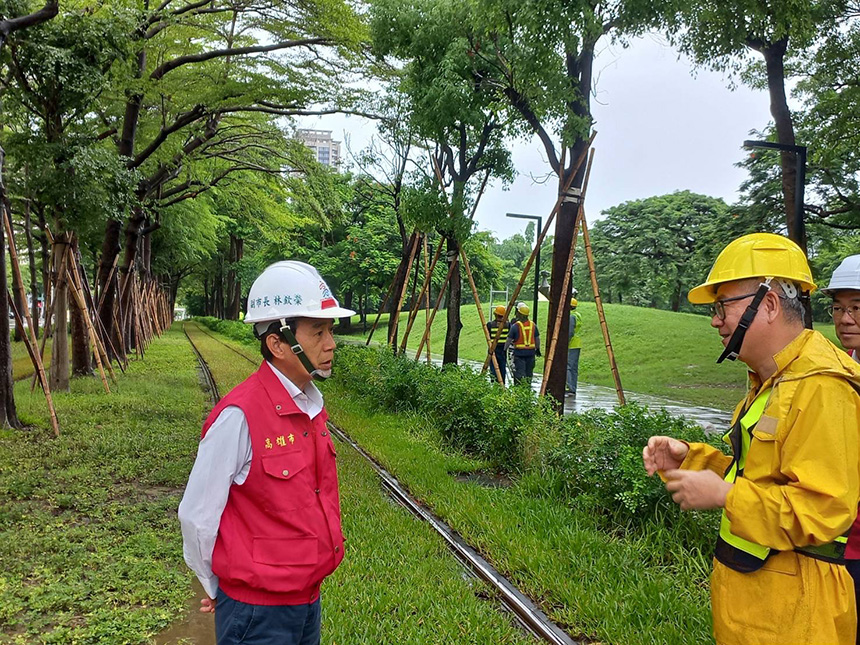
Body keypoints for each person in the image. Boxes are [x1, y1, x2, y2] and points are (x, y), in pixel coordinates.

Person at [641, 233, 860, 645]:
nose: (715, 320)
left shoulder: (822, 387)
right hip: (760, 603)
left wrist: (725, 497)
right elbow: (761, 477)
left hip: (799, 615)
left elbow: (821, 510)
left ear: (770, 304)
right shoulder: (775, 379)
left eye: (723, 306)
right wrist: (693, 460)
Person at [178, 260, 355, 645]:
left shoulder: (311, 405)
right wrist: (215, 586)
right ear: (277, 343)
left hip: (307, 600)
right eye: (319, 332)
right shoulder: (239, 417)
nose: (331, 344)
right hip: (256, 613)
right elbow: (197, 516)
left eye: (330, 331)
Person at [823, 254, 860, 644]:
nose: (845, 319)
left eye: (857, 307)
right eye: (839, 307)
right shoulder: (836, 369)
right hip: (837, 544)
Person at [505, 302, 540, 386]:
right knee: (528, 375)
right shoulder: (533, 325)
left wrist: (504, 349)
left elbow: (509, 340)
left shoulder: (515, 326)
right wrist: (537, 349)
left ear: (519, 314)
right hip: (531, 354)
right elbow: (537, 338)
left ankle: (519, 392)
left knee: (520, 375)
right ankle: (527, 391)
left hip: (519, 355)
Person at [486, 304, 510, 384]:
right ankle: (502, 382)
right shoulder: (508, 325)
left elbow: (488, 336)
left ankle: (494, 381)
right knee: (502, 366)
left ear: (495, 314)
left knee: (493, 367)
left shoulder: (490, 325)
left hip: (493, 348)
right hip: (503, 349)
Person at [566, 298, 582, 396]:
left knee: (568, 366)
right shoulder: (578, 314)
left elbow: (570, 332)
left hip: (571, 344)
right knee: (574, 368)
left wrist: (565, 343)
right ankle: (573, 387)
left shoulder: (571, 316)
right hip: (577, 343)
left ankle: (569, 387)